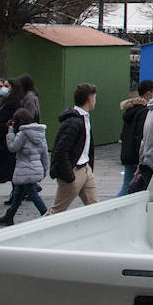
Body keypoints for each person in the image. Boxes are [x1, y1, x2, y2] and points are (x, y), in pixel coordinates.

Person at [48, 83, 98, 214]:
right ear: (89, 99)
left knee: (95, 209)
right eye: (95, 97)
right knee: (56, 211)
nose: (95, 101)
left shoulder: (84, 118)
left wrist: (89, 167)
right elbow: (60, 151)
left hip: (85, 170)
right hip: (74, 171)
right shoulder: (74, 122)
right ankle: (37, 233)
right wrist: (69, 176)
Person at [0, 106, 49, 222]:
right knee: (17, 194)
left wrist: (10, 131)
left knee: (32, 194)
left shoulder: (23, 134)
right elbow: (45, 154)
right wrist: (44, 170)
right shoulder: (40, 133)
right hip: (35, 169)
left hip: (25, 170)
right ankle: (9, 216)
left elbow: (12, 147)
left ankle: (46, 214)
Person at [117, 79, 153, 196]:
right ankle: (114, 208)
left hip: (128, 153)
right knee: (130, 187)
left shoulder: (131, 110)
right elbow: (141, 135)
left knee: (127, 185)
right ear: (148, 94)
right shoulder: (143, 112)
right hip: (135, 155)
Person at [0, 77, 23, 201]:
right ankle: (17, 195)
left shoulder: (12, 103)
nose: (3, 89)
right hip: (6, 141)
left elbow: (5, 122)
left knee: (9, 171)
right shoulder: (8, 102)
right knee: (12, 172)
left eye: (7, 86)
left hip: (6, 142)